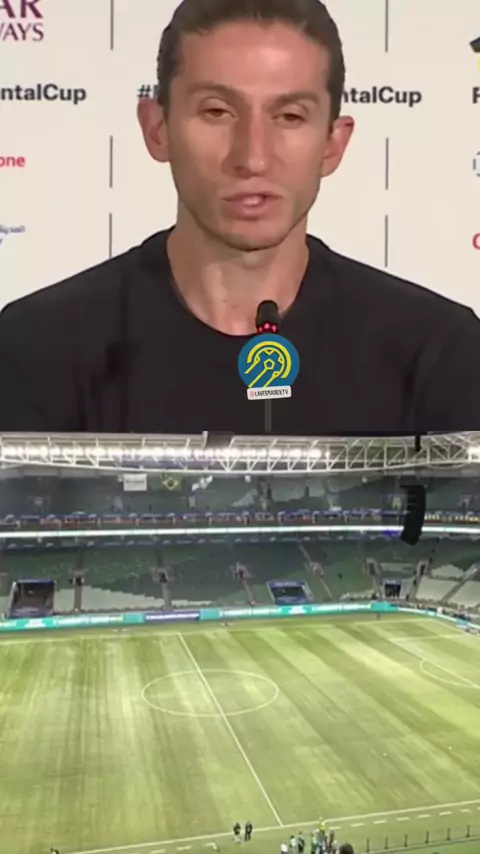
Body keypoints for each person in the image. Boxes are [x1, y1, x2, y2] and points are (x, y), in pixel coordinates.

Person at [1, 0, 480, 435]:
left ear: (333, 144)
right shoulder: (37, 346)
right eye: (217, 112)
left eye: (290, 116)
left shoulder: (438, 352)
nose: (253, 157)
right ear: (158, 129)